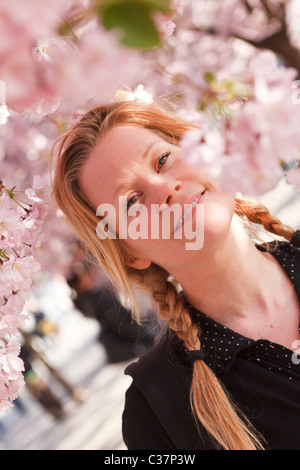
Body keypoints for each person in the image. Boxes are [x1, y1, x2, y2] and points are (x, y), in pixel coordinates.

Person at [52, 100, 300, 450]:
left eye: (163, 160)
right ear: (129, 253)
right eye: (132, 202)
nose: (164, 189)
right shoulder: (157, 410)